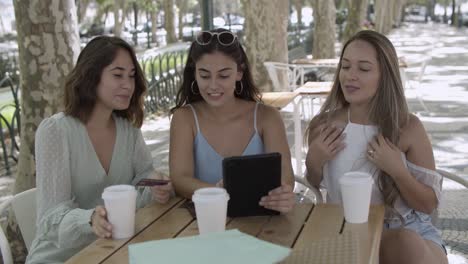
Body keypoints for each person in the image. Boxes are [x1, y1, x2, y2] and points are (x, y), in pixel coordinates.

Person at [26, 36, 173, 264]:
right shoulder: (55, 131)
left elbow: (143, 179)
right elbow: (50, 219)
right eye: (117, 74)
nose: (128, 84)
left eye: (132, 76)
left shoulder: (128, 130)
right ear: (91, 76)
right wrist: (90, 219)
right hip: (61, 258)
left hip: (116, 251)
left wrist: (155, 185)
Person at [305, 30, 448, 264]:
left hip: (407, 232)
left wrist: (399, 171)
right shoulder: (322, 125)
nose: (350, 76)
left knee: (407, 243)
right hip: (346, 228)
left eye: (363, 69)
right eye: (346, 66)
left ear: (385, 76)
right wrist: (313, 161)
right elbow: (314, 181)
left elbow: (428, 204)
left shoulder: (408, 127)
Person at [169, 28, 295, 213]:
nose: (213, 85)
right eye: (204, 75)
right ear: (194, 74)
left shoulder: (267, 117)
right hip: (203, 223)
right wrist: (219, 193)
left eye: (223, 75)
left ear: (239, 72)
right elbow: (180, 179)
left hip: (262, 221)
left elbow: (286, 178)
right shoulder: (184, 118)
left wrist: (282, 194)